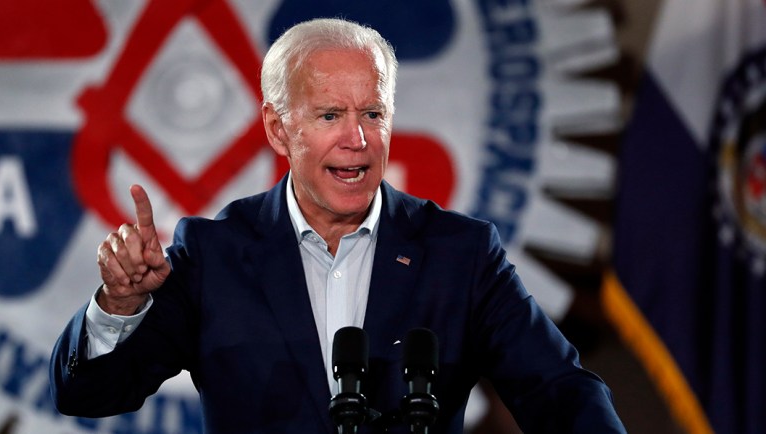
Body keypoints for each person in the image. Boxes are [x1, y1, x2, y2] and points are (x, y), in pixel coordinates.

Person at [50, 17, 626, 434]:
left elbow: (560, 392)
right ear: (279, 130)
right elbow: (88, 394)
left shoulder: (462, 255)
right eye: (330, 115)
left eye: (372, 114)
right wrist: (118, 306)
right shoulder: (214, 255)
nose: (357, 140)